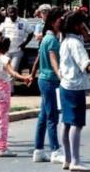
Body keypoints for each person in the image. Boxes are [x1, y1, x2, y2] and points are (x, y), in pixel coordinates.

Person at [0, 37, 31, 157]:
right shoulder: (5, 59)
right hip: (2, 89)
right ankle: (2, 148)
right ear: (7, 48)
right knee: (3, 119)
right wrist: (24, 77)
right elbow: (12, 72)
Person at [30, 6, 65, 163]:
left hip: (44, 79)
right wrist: (60, 75)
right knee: (52, 117)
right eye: (60, 19)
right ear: (52, 21)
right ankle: (55, 150)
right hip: (50, 80)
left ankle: (38, 150)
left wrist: (32, 74)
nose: (62, 21)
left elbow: (38, 59)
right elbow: (52, 59)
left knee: (44, 116)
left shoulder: (47, 38)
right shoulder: (51, 40)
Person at [58, 10, 90, 171]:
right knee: (76, 124)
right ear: (76, 25)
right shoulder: (76, 44)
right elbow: (86, 64)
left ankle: (68, 158)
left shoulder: (65, 41)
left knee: (67, 122)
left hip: (65, 85)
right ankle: (75, 161)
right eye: (82, 24)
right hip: (75, 86)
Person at [0, 5, 34, 75]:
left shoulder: (23, 22)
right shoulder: (4, 22)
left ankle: (10, 86)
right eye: (10, 12)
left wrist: (25, 43)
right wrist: (1, 44)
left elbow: (31, 33)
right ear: (8, 13)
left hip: (17, 51)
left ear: (17, 12)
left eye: (14, 12)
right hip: (6, 51)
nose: (12, 14)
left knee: (13, 70)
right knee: (4, 70)